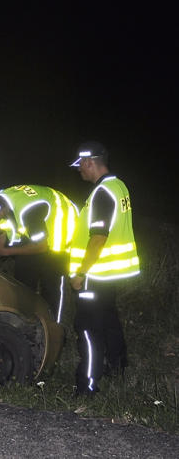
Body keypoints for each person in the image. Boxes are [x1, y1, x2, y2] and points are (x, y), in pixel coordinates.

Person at [68, 140, 140, 396]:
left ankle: (87, 385)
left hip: (94, 274)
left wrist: (80, 273)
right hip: (109, 273)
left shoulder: (101, 193)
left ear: (89, 162)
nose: (79, 171)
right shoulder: (119, 186)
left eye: (80, 165)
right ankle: (117, 365)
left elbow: (98, 238)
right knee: (109, 320)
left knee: (87, 328)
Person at [0, 185, 78, 323]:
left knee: (51, 282)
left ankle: (53, 327)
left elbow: (42, 247)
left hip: (59, 223)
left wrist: (6, 252)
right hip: (34, 228)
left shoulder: (28, 212)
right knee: (23, 282)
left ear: (1, 211)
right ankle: (25, 320)